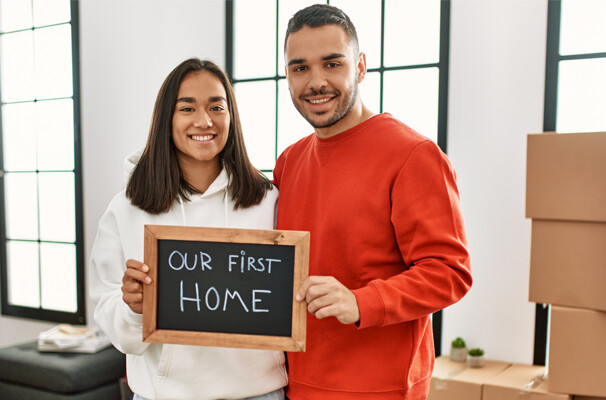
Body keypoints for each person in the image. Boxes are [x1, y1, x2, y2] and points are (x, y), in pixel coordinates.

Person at [274, 5, 473, 399]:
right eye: (300, 68)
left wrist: (361, 301)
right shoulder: (289, 161)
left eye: (332, 64)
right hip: (295, 384)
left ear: (360, 67)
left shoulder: (413, 155)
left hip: (379, 390)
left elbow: (451, 272)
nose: (316, 82)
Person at [89, 58, 287, 400]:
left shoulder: (268, 200)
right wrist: (132, 309)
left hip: (258, 393)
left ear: (231, 117)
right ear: (167, 119)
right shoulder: (126, 208)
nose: (204, 121)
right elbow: (110, 320)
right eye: (187, 108)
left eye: (216, 107)